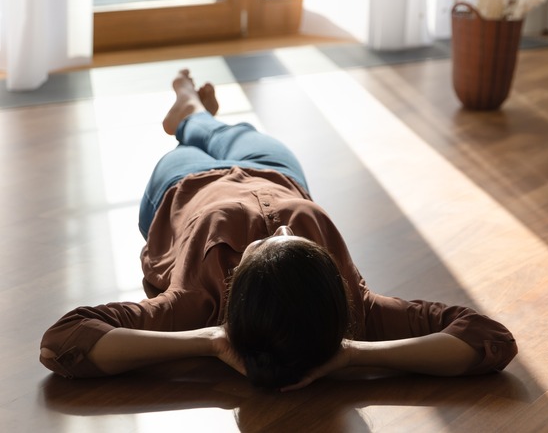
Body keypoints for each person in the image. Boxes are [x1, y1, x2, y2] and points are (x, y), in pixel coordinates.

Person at [39, 69, 517, 390]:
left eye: (265, 245)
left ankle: (190, 115)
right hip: (276, 172)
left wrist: (207, 340)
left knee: (198, 141)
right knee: (235, 134)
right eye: (296, 241)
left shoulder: (192, 305)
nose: (281, 229)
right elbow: (487, 337)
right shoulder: (353, 307)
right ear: (330, 279)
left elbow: (63, 341)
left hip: (183, 186)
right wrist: (352, 352)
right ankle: (194, 113)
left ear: (235, 286)